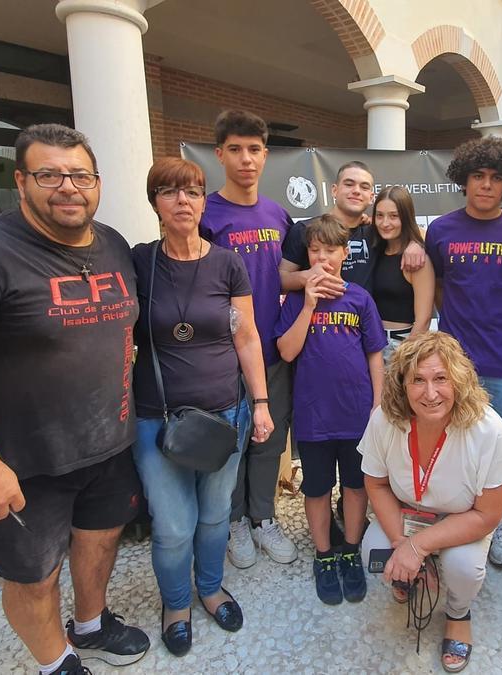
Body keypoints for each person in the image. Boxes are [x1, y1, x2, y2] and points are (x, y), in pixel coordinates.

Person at [0, 124, 150, 674]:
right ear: (21, 181)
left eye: (80, 175)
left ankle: (89, 623)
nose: (68, 187)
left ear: (97, 182)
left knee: (100, 540)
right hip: (19, 462)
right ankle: (54, 661)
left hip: (108, 445)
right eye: (49, 175)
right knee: (35, 574)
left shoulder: (111, 244)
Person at [131, 157, 274, 656]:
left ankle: (210, 589)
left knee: (215, 516)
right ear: (156, 204)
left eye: (192, 191)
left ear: (202, 200)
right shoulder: (140, 262)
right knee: (172, 527)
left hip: (224, 415)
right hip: (157, 419)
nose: (182, 201)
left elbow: (248, 337)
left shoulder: (227, 263)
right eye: (169, 192)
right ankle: (176, 604)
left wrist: (259, 402)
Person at [359, 332, 502, 673]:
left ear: (459, 380)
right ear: (401, 384)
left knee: (463, 567)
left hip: (464, 515)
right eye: (417, 380)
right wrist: (401, 545)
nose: (430, 393)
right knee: (372, 550)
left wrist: (418, 548)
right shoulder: (384, 420)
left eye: (441, 378)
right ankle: (411, 576)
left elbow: (488, 514)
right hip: (408, 511)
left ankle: (458, 614)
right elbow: (375, 484)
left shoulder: (488, 430)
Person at [425, 136, 502, 568]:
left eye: (495, 178)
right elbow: (436, 288)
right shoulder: (442, 230)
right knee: (451, 447)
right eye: (477, 176)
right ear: (463, 180)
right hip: (455, 363)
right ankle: (450, 520)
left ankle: (498, 525)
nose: (485, 185)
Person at [199, 109, 298, 569]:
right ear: (219, 154)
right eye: (235, 149)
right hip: (222, 353)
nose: (245, 159)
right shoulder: (206, 215)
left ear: (266, 155)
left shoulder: (278, 215)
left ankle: (263, 518)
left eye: (254, 149)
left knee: (268, 440)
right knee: (231, 443)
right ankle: (234, 519)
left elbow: (286, 275)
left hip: (272, 349)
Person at [276, 215, 385, 605]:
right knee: (318, 489)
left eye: (330, 250)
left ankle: (351, 550)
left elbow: (375, 354)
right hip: (313, 416)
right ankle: (324, 555)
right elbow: (287, 351)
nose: (322, 258)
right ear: (307, 254)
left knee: (356, 487)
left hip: (356, 415)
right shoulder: (295, 301)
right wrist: (307, 302)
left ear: (344, 253)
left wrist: (377, 405)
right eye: (314, 250)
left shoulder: (359, 298)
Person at [280, 161, 425, 292]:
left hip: (365, 319)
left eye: (364, 187)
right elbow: (280, 280)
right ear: (334, 190)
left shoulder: (376, 231)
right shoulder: (305, 229)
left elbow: (415, 230)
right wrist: (306, 277)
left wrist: (416, 242)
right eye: (349, 184)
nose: (356, 191)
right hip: (314, 319)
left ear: (371, 197)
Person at [370, 185, 435, 360]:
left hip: (401, 345)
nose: (385, 223)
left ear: (406, 217)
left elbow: (423, 319)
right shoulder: (374, 251)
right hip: (371, 344)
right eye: (379, 215)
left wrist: (403, 357)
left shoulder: (417, 260)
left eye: (394, 216)